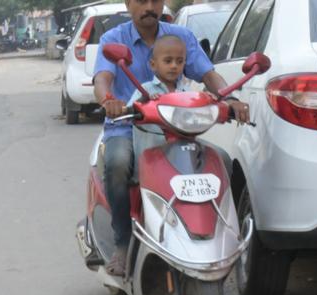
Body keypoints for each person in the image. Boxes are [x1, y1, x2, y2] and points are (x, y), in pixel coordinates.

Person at [93, 0, 250, 276]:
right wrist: (109, 100)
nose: (149, 7)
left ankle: (219, 235)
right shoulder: (113, 39)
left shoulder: (181, 38)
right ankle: (122, 241)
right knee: (118, 163)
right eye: (141, 1)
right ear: (129, 3)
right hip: (127, 126)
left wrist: (231, 99)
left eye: (155, 0)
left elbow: (209, 75)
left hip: (175, 128)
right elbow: (103, 78)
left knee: (221, 161)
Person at [127, 35, 193, 170]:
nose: (174, 66)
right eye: (168, 61)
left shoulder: (186, 91)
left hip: (183, 153)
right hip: (151, 159)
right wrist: (143, 103)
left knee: (221, 157)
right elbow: (129, 110)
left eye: (179, 61)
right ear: (153, 65)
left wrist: (208, 100)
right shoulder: (145, 89)